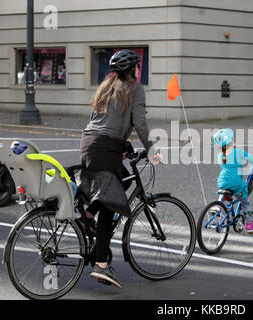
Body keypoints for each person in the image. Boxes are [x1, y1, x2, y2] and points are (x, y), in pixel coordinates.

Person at [79, 49, 159, 288]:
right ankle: (102, 265)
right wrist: (152, 151)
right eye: (138, 67)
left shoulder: (107, 86)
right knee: (110, 204)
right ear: (133, 69)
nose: (139, 70)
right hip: (105, 148)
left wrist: (123, 145)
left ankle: (86, 216)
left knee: (123, 179)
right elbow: (141, 124)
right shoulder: (134, 89)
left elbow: (103, 121)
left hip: (89, 144)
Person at [212, 129, 253, 233]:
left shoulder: (220, 156)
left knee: (224, 189)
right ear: (231, 142)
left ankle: (217, 207)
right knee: (245, 201)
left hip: (222, 181)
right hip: (236, 182)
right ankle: (250, 224)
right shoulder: (238, 152)